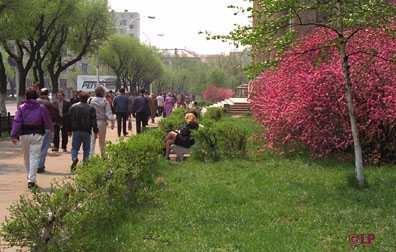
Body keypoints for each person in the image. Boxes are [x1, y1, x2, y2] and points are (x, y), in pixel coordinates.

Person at [11, 88, 53, 189]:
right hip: (37, 135)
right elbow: (47, 120)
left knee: (26, 157)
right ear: (36, 97)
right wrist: (51, 130)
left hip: (24, 135)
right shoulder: (41, 107)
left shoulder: (21, 108)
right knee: (34, 157)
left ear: (26, 97)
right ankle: (31, 179)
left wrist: (13, 135)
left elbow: (17, 121)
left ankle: (30, 177)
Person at [68, 92, 98, 171]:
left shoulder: (73, 107)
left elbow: (69, 119)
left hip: (76, 130)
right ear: (87, 98)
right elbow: (94, 121)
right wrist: (95, 131)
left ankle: (74, 158)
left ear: (79, 98)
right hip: (86, 131)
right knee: (86, 149)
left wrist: (69, 130)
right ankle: (85, 163)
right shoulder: (91, 108)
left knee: (75, 148)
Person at [88, 86, 115, 157]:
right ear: (103, 92)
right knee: (102, 140)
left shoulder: (90, 100)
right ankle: (103, 155)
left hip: (91, 122)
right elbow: (108, 113)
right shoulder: (105, 101)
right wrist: (112, 121)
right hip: (102, 122)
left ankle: (90, 156)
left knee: (92, 140)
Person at [37, 88, 58, 173]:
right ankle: (40, 166)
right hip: (46, 127)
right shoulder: (48, 104)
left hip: (34, 128)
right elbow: (55, 114)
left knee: (35, 148)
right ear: (47, 94)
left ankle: (34, 165)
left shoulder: (35, 102)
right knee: (44, 147)